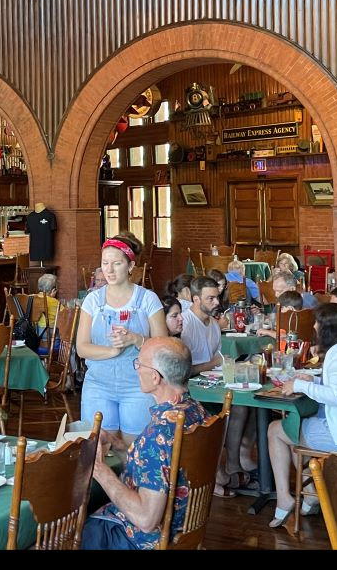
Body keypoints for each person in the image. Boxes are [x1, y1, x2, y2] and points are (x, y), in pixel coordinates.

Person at [82, 338, 208, 550]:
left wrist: (100, 471)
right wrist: (117, 444)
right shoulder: (195, 412)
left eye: (139, 364)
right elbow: (157, 466)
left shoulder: (159, 433)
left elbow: (146, 520)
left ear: (155, 377)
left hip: (142, 540)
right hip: (184, 527)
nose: (136, 369)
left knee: (69, 527)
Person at [266, 303, 337, 528]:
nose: (313, 326)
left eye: (317, 322)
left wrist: (299, 385)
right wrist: (313, 381)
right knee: (297, 429)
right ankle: (311, 491)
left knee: (276, 430)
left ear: (327, 328)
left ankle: (286, 499)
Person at [78, 235, 169, 443]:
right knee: (98, 450)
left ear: (130, 266)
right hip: (98, 386)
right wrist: (112, 351)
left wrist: (136, 340)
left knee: (135, 449)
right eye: (105, 263)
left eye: (116, 263)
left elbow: (163, 347)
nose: (109, 270)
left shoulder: (147, 299)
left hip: (139, 386)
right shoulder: (92, 301)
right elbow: (82, 348)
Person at [179, 276, 222, 374]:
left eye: (217, 297)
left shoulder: (214, 323)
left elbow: (217, 359)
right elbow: (181, 371)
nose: (217, 302)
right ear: (196, 299)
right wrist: (210, 365)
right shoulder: (184, 323)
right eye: (211, 298)